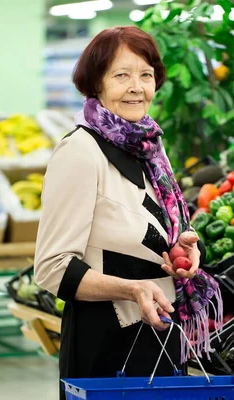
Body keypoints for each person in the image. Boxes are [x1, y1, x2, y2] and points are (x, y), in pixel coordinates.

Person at [34, 26, 222, 399]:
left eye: (146, 75)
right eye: (122, 75)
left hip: (164, 337)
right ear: (97, 83)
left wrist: (185, 253)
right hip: (106, 347)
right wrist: (131, 289)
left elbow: (155, 232)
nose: (137, 87)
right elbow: (52, 267)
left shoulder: (151, 147)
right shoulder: (81, 151)